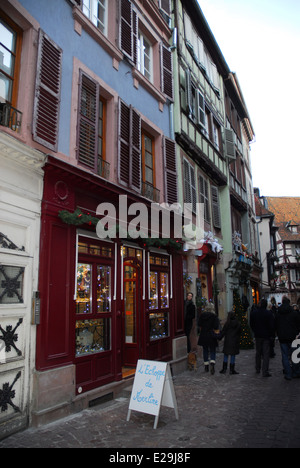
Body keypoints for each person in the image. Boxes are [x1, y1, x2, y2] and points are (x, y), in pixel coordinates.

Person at [275, 296, 300, 380]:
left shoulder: (278, 313)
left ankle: (288, 374)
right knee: (294, 356)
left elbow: (276, 325)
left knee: (285, 356)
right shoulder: (294, 313)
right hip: (293, 337)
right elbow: (298, 324)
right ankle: (296, 372)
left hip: (282, 337)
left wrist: (278, 334)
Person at [250, 299, 275, 377]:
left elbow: (252, 324)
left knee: (258, 353)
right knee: (266, 354)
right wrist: (271, 335)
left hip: (258, 335)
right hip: (266, 336)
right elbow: (272, 326)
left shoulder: (254, 313)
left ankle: (257, 368)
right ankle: (265, 371)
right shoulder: (268, 314)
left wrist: (255, 331)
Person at [198, 302, 220, 374]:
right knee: (212, 350)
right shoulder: (214, 316)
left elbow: (199, 324)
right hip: (211, 334)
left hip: (204, 334)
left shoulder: (202, 315)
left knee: (205, 350)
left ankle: (206, 366)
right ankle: (212, 364)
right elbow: (216, 326)